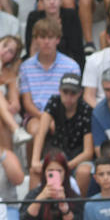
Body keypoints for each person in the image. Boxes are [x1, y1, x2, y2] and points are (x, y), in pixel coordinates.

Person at [20, 18, 83, 147]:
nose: (46, 42)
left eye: (50, 37)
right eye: (42, 37)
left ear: (58, 40)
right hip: (36, 115)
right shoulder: (26, 67)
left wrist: (56, 118)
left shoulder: (71, 66)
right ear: (36, 40)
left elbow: (75, 98)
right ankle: (32, 166)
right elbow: (27, 103)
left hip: (64, 113)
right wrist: (45, 118)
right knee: (35, 130)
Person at [29, 72, 93, 193]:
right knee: (34, 171)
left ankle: (79, 208)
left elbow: (88, 152)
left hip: (78, 158)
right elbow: (41, 133)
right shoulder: (54, 101)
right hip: (57, 154)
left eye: (73, 93)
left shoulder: (86, 110)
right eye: (65, 92)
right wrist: (35, 160)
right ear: (59, 91)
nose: (68, 97)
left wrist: (65, 166)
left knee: (84, 171)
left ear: (80, 93)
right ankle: (33, 205)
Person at [23, 0, 88, 64]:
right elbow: (31, 49)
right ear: (42, 1)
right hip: (40, 63)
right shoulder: (34, 18)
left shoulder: (71, 16)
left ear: (61, 0)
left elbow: (77, 50)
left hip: (67, 64)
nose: (52, 2)